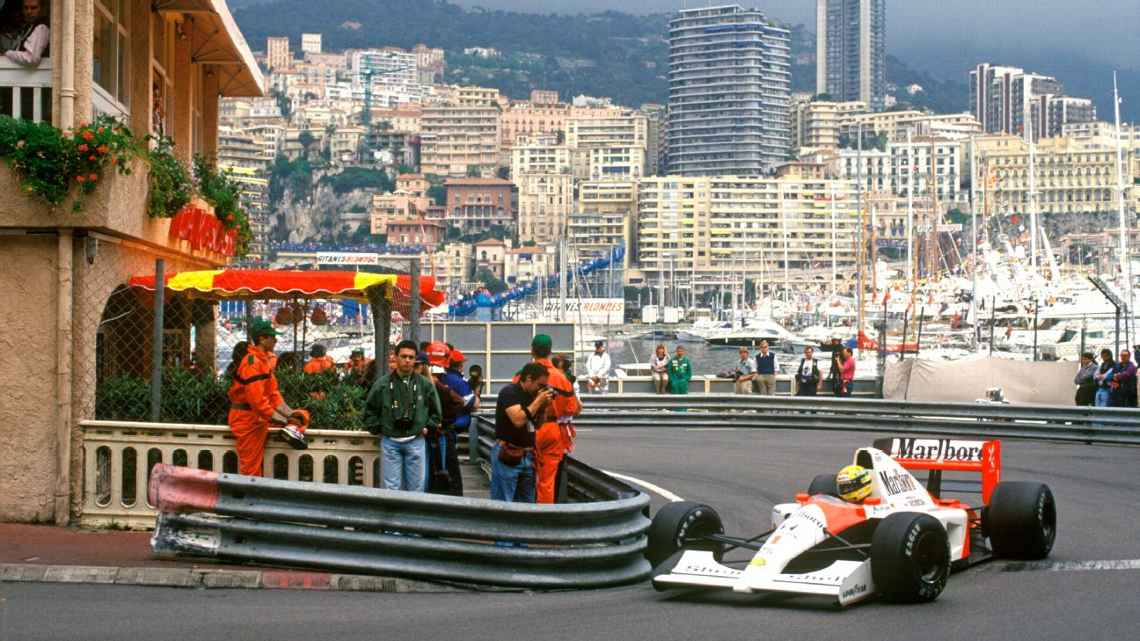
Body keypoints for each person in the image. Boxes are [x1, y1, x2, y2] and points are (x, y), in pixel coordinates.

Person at [362, 340, 442, 492]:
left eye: (411, 357)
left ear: (415, 359)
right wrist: (380, 428)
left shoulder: (424, 384)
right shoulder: (382, 384)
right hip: (390, 441)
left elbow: (436, 412)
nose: (407, 360)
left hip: (416, 440)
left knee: (417, 488)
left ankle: (413, 509)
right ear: (396, 357)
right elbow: (369, 411)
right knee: (390, 488)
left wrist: (427, 428)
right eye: (404, 356)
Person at [226, 319, 299, 476]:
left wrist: (291, 415)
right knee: (251, 468)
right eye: (272, 337)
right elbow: (257, 402)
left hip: (256, 418)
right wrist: (284, 419)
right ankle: (250, 494)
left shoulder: (261, 360)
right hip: (246, 419)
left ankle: (292, 430)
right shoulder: (252, 363)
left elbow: (273, 394)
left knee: (302, 416)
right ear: (262, 339)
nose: (276, 340)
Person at [492, 362, 553, 503]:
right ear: (529, 378)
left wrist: (544, 407)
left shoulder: (533, 395)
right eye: (540, 385)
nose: (541, 389)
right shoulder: (509, 392)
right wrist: (538, 401)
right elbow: (518, 420)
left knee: (527, 504)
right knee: (503, 503)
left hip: (527, 455)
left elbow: (538, 425)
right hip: (508, 453)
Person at [425, 341, 465, 495]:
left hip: (431, 434)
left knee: (431, 473)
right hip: (442, 433)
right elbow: (463, 402)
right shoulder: (448, 381)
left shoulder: (425, 381)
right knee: (450, 473)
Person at [3, 0, 49, 67]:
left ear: (42, 9)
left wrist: (7, 53)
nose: (29, 11)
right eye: (26, 8)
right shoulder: (29, 27)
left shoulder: (41, 28)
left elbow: (31, 58)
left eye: (33, 8)